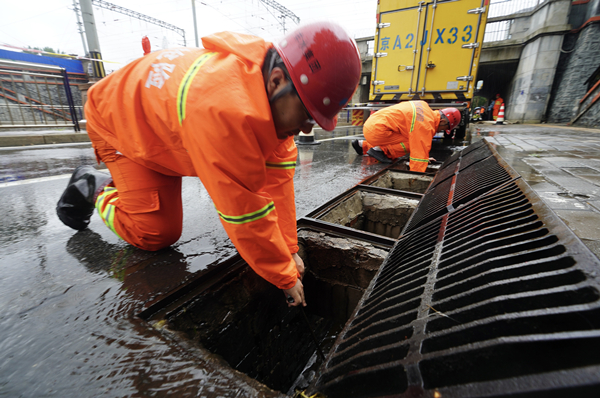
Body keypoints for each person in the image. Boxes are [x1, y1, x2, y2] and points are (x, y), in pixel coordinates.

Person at [56, 22, 362, 308]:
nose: (308, 128)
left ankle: (132, 184)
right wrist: (282, 274)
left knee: (164, 216)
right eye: (308, 114)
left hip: (163, 127)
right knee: (154, 234)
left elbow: (277, 182)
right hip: (118, 121)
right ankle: (94, 188)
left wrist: (289, 249)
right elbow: (244, 211)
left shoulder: (270, 98)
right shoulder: (223, 111)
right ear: (277, 80)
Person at [351, 101, 461, 172]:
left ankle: (363, 145)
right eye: (444, 128)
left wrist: (425, 158)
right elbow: (419, 151)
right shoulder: (426, 125)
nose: (441, 131)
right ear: (442, 121)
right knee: (412, 142)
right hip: (378, 131)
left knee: (409, 135)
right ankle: (380, 150)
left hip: (372, 124)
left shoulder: (423, 106)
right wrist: (415, 176)